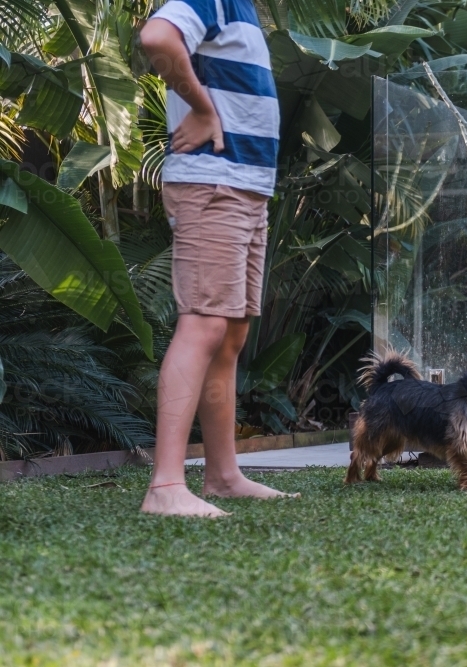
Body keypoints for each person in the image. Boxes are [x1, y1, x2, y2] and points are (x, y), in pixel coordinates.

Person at [139, 0, 295, 517]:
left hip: (246, 187)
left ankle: (224, 476)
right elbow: (158, 38)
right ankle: (165, 487)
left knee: (230, 335)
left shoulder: (243, 11)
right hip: (213, 183)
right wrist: (203, 109)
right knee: (204, 324)